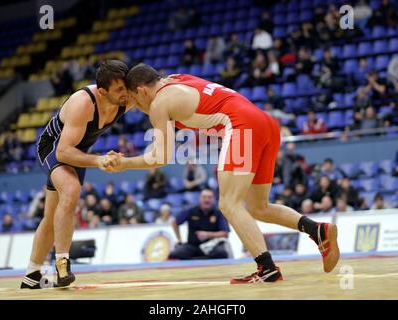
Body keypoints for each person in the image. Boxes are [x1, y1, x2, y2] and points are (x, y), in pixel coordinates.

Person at [103, 64, 340, 284]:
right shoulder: (176, 80)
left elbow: (161, 157)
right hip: (266, 124)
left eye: (134, 100)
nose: (138, 108)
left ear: (142, 90)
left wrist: (124, 163)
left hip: (242, 126)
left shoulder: (158, 105)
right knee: (258, 207)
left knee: (229, 204)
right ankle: (318, 231)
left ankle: (267, 269)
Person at [21, 59, 133, 289]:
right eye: (119, 89)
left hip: (77, 152)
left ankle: (31, 276)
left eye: (126, 86)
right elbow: (63, 151)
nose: (126, 93)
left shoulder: (125, 98)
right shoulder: (83, 103)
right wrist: (99, 160)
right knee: (71, 190)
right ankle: (62, 265)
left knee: (52, 217)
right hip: (54, 149)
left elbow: (151, 96)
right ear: (102, 92)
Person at [168, 188, 230, 260]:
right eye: (204, 197)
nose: (206, 200)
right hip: (193, 246)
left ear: (214, 199)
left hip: (212, 246)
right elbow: (175, 222)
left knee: (221, 253)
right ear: (199, 198)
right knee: (175, 253)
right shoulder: (190, 210)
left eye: (209, 197)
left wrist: (207, 235)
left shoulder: (219, 213)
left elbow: (225, 234)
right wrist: (179, 239)